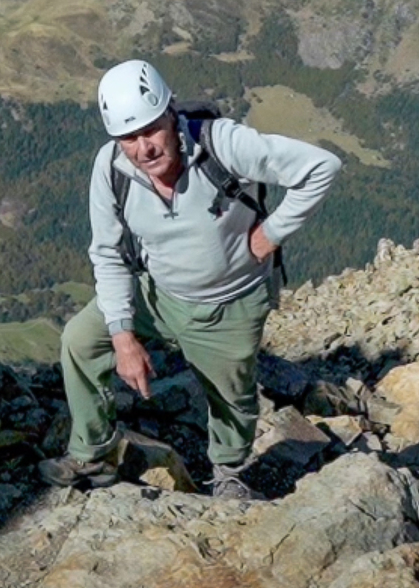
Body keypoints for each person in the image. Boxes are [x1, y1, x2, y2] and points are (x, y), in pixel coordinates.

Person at [40, 59, 342, 499]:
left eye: (151, 130)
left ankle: (228, 472)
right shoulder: (110, 168)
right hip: (157, 293)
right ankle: (93, 453)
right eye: (129, 138)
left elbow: (321, 167)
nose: (143, 148)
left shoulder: (222, 144)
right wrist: (123, 337)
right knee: (80, 340)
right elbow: (107, 253)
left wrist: (271, 234)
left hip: (229, 301)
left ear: (172, 114)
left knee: (231, 396)